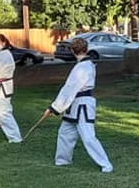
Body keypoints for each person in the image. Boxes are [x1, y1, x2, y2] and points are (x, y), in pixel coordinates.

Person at [43, 37, 113, 173]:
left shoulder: (82, 67)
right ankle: (63, 161)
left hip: (82, 105)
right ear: (86, 49)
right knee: (65, 132)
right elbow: (69, 90)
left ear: (72, 51)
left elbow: (69, 89)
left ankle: (106, 164)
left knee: (88, 136)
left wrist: (54, 107)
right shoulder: (85, 65)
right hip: (74, 104)